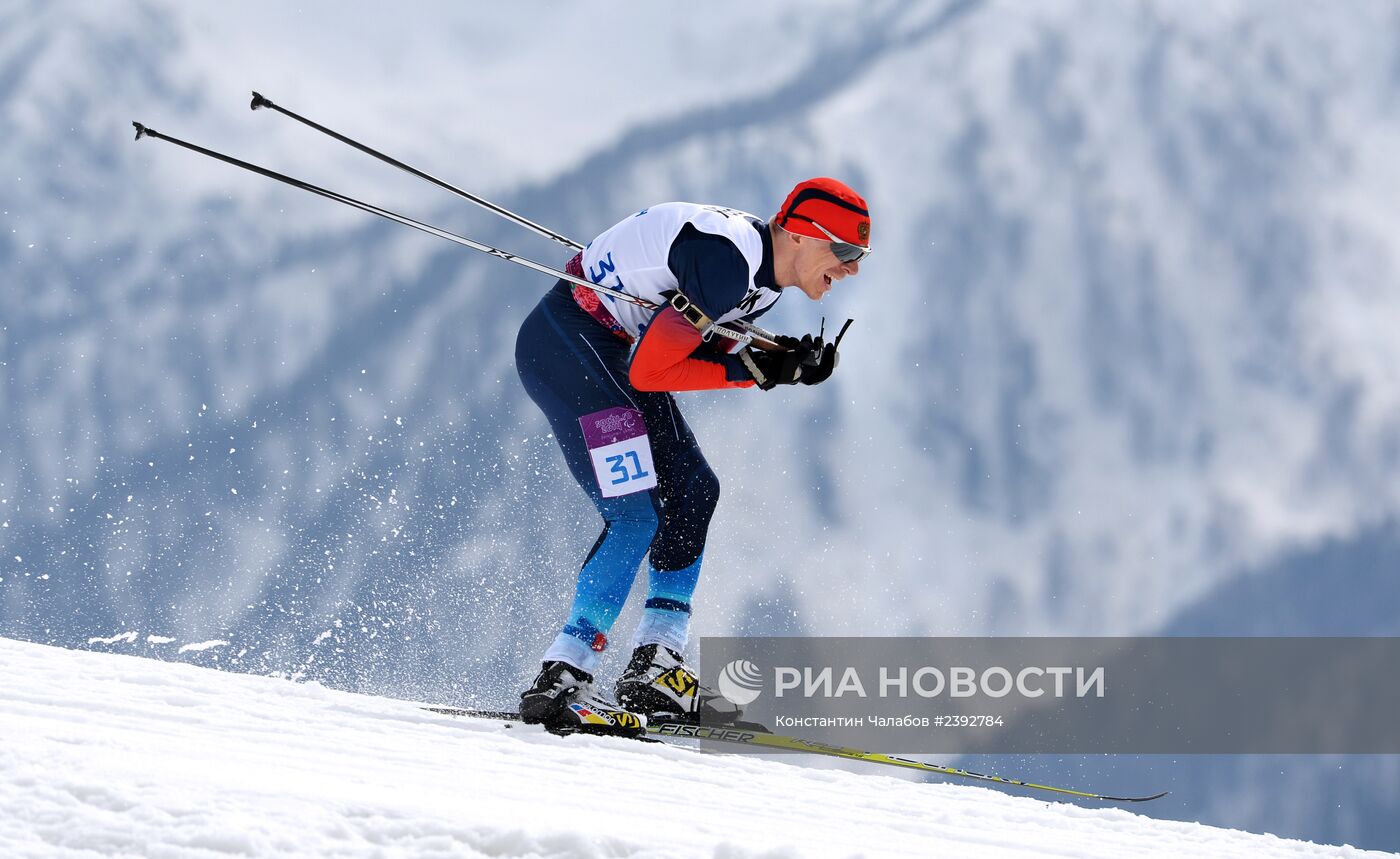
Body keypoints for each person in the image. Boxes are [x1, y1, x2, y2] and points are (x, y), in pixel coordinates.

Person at [513, 178, 870, 736]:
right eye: (846, 252)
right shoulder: (729, 260)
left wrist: (782, 360)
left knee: (694, 492)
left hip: (605, 348)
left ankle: (656, 665)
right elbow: (652, 370)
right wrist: (754, 371)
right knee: (635, 516)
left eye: (860, 258)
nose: (851, 269)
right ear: (802, 236)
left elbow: (700, 338)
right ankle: (563, 676)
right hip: (569, 348)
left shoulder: (763, 276)